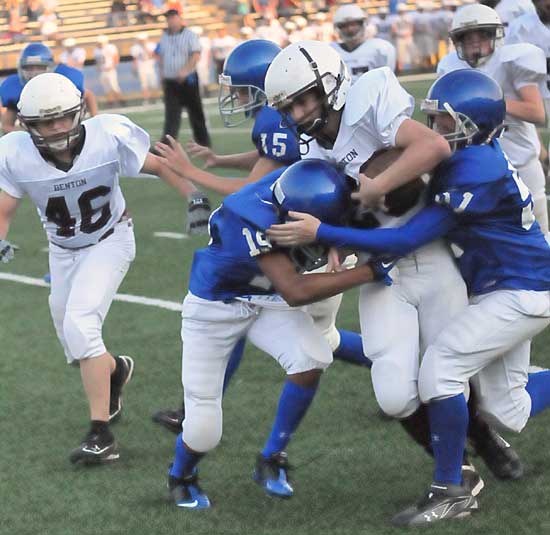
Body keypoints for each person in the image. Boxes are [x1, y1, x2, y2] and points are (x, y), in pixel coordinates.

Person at [275, 68, 550, 526]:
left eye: (446, 122)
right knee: (510, 407)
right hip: (495, 286)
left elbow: (406, 237)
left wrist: (324, 229)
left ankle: (451, 489)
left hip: (520, 292)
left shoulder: (472, 169)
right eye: (435, 120)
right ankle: (464, 463)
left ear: (473, 125)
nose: (434, 130)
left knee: (440, 373)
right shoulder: (473, 159)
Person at [152, 40, 371, 444]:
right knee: (269, 324)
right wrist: (220, 160)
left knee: (318, 342)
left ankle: (274, 450)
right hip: (312, 223)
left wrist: (192, 173)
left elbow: (248, 192)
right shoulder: (293, 113)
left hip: (308, 237)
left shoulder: (279, 118)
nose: (234, 97)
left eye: (239, 89)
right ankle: (197, 406)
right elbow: (272, 159)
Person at [164, 158, 393, 508]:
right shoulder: (253, 216)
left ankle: (271, 456)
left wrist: (337, 242)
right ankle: (181, 475)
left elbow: (338, 219)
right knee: (203, 429)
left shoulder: (317, 185)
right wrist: (372, 271)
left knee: (312, 357)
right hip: (217, 306)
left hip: (267, 298)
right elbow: (295, 290)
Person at [0, 73, 200, 464]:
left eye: (64, 117)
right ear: (28, 126)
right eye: (47, 121)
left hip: (110, 240)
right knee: (74, 343)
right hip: (63, 251)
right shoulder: (14, 152)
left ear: (78, 112)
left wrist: (193, 197)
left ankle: (101, 433)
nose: (58, 127)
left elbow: (158, 165)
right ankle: (113, 372)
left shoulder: (106, 136)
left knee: (80, 324)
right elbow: (5, 206)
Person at [438, 4, 548, 234]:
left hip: (520, 161)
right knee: (490, 236)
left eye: (482, 35)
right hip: (477, 166)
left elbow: (536, 113)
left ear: (495, 35)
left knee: (538, 233)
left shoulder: (513, 60)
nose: (474, 42)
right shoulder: (450, 66)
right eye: (466, 37)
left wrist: (487, 102)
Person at [0, 43, 98, 134]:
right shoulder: (15, 89)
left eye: (39, 67)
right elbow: (7, 125)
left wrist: (95, 120)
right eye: (29, 68)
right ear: (21, 68)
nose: (34, 72)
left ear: (51, 67)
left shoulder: (63, 81)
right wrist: (29, 135)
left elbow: (88, 95)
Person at [505, 0, 550, 177]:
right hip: (534, 91)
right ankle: (543, 159)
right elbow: (510, 63)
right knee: (527, 129)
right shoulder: (521, 27)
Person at [155, 9, 211, 147]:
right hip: (171, 81)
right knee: (171, 115)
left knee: (195, 112)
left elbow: (196, 55)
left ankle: (203, 142)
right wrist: (162, 76)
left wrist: (185, 71)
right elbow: (161, 57)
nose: (171, 21)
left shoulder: (190, 35)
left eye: (173, 18)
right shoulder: (164, 37)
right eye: (169, 18)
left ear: (179, 19)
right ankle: (167, 144)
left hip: (188, 80)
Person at [331, 4, 397, 82]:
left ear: (363, 23)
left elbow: (387, 83)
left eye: (354, 24)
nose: (350, 29)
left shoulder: (380, 48)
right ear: (337, 27)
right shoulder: (331, 51)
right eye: (344, 25)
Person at [130, 33, 159, 104]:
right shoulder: (135, 48)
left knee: (153, 84)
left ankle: (156, 98)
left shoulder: (151, 45)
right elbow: (135, 59)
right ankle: (146, 99)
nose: (141, 41)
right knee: (144, 85)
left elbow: (153, 55)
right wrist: (134, 68)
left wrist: (145, 47)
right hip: (141, 68)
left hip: (151, 66)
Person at [94, 35, 122, 107]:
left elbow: (116, 57)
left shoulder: (111, 47)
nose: (99, 44)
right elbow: (97, 61)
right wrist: (98, 67)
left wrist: (113, 66)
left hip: (110, 70)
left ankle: (121, 100)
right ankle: (110, 102)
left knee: (114, 86)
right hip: (102, 70)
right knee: (106, 88)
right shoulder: (96, 50)